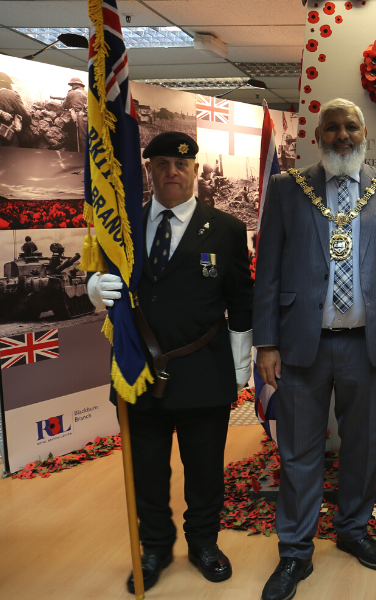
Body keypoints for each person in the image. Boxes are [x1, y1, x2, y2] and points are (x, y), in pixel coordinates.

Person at [254, 98, 376, 600]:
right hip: (301, 346)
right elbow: (269, 271)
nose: (342, 136)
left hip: (368, 347)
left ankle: (352, 532)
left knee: (362, 448)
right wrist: (266, 341)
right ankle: (295, 553)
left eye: (351, 127)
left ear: (365, 132)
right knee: (298, 452)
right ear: (317, 135)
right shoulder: (288, 189)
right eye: (332, 128)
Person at [86, 131, 254, 594]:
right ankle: (156, 546)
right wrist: (92, 289)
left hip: (204, 370)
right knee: (146, 471)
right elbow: (99, 276)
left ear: (197, 170)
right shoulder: (121, 230)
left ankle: (203, 543)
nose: (172, 172)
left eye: (182, 165)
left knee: (204, 470)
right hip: (138, 371)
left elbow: (241, 300)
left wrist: (242, 365)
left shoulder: (225, 228)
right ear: (149, 171)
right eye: (161, 164)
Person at [0, 72, 32, 148]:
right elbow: (26, 115)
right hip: (6, 135)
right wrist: (27, 121)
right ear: (7, 84)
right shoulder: (12, 95)